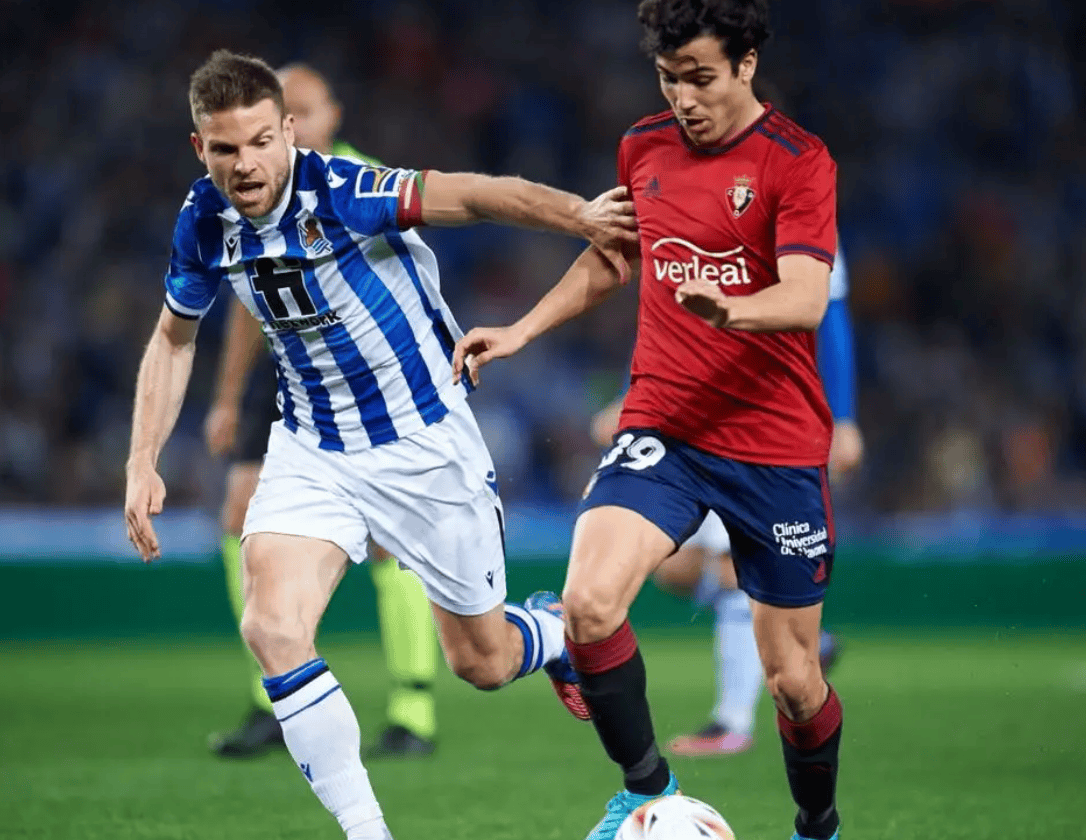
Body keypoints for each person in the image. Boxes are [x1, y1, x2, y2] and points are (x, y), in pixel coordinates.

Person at [124, 49, 636, 840]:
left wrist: (581, 216)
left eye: (259, 141)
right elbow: (172, 337)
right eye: (224, 148)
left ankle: (550, 630)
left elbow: (474, 194)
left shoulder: (343, 189)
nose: (245, 164)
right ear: (201, 148)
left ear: (287, 131)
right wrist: (141, 459)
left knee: (483, 663)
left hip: (424, 445)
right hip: (313, 447)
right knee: (271, 627)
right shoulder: (203, 219)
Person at [454, 2, 845, 838]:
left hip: (773, 443)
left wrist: (730, 310)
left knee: (793, 682)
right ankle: (644, 792)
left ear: (745, 64)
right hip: (664, 424)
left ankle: (818, 825)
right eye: (669, 80)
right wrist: (522, 329)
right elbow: (614, 257)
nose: (684, 99)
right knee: (588, 604)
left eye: (700, 78)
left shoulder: (798, 161)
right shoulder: (644, 146)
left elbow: (808, 296)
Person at [203, 62, 440, 760]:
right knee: (240, 515)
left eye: (305, 110)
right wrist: (226, 397)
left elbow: (415, 280)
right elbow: (245, 301)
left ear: (333, 114)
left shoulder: (366, 183)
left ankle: (413, 709)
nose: (295, 125)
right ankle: (275, 697)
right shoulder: (251, 191)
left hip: (366, 372)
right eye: (284, 114)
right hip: (282, 365)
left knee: (389, 533)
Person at [590, 240, 862, 758]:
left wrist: (843, 417)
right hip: (694, 404)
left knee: (729, 564)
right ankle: (802, 640)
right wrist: (634, 395)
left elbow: (829, 313)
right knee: (675, 568)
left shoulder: (798, 211)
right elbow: (671, 319)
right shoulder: (687, 210)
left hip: (764, 410)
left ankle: (731, 722)